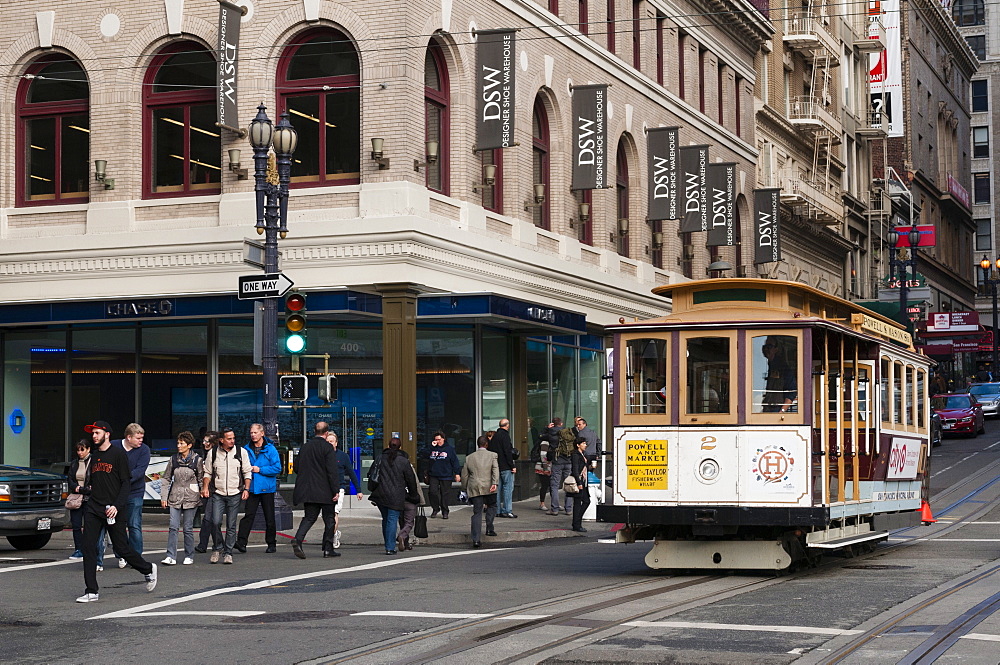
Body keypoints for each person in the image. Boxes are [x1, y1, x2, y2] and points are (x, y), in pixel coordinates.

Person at [77, 420, 157, 603]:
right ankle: (91, 591)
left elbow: (125, 482)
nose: (94, 436)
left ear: (107, 434)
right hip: (94, 508)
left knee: (122, 547)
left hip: (115, 509)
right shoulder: (95, 455)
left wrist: (116, 506)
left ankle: (148, 569)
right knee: (88, 547)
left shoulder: (119, 455)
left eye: (97, 433)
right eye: (93, 433)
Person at [202, 427, 252, 564]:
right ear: (221, 440)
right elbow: (207, 473)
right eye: (229, 439)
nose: (232, 441)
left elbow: (247, 472)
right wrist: (205, 487)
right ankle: (217, 548)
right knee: (215, 521)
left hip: (235, 492)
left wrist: (246, 489)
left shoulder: (241, 452)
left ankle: (228, 552)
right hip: (218, 492)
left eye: (233, 438)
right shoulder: (213, 453)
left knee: (231, 524)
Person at [291, 423, 341, 559]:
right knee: (329, 519)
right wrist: (335, 490)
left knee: (309, 517)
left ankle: (298, 539)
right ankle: (328, 548)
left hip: (308, 490)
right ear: (326, 433)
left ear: (314, 431)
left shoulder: (305, 447)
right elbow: (332, 471)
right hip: (325, 490)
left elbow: (296, 467)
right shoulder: (328, 448)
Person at [159, 431, 204, 566]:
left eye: (182, 443)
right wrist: (164, 496)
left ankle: (189, 554)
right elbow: (166, 478)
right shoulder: (173, 459)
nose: (179, 446)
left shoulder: (197, 460)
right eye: (178, 443)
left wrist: (202, 493)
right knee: (173, 527)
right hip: (175, 497)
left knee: (188, 528)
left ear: (189, 445)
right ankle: (170, 555)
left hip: (191, 498)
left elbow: (201, 479)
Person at [235, 423, 281, 554]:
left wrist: (260, 469)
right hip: (252, 487)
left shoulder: (271, 449)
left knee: (269, 517)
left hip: (267, 488)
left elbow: (277, 468)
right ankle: (241, 542)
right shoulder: (245, 449)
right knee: (248, 515)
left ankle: (271, 543)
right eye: (251, 433)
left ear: (262, 433)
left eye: (255, 433)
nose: (253, 435)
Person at [370, 438, 419, 555]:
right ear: (400, 447)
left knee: (386, 519)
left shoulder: (380, 458)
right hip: (396, 495)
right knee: (392, 520)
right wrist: (413, 495)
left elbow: (372, 474)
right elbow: (411, 480)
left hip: (380, 494)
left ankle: (388, 544)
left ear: (388, 445)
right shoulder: (403, 461)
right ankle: (390, 547)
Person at [110, 423, 150, 568]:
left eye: (142, 438)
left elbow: (140, 471)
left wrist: (121, 479)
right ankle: (121, 554)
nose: (141, 441)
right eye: (138, 438)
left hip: (135, 492)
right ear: (128, 437)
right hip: (115, 493)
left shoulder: (144, 450)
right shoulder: (113, 446)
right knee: (116, 526)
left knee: (134, 525)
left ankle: (136, 557)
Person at [327, 430, 363, 550]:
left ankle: (332, 537)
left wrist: (358, 490)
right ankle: (333, 533)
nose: (330, 444)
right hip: (324, 489)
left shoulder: (343, 456)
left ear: (336, 443)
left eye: (332, 441)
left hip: (339, 488)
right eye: (327, 441)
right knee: (327, 515)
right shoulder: (321, 455)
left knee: (334, 513)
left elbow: (351, 473)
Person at [461, 435, 499, 548]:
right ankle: (489, 528)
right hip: (489, 486)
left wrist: (464, 488)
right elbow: (495, 470)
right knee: (492, 506)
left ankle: (476, 539)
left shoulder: (469, 458)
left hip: (475, 487)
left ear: (478, 444)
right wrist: (494, 483)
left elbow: (464, 475)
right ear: (486, 444)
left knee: (477, 512)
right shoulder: (493, 455)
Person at [66, 439, 93, 560]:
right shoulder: (74, 463)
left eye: (82, 450)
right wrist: (75, 487)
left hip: (89, 497)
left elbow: (94, 480)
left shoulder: (93, 462)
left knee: (89, 525)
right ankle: (78, 549)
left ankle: (88, 548)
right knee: (76, 525)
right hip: (76, 497)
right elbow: (70, 478)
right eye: (78, 450)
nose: (80, 452)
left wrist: (84, 489)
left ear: (88, 449)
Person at [397, 442, 426, 552]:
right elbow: (416, 483)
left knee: (402, 521)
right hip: (410, 497)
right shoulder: (408, 466)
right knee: (409, 521)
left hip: (398, 498)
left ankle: (404, 541)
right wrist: (421, 499)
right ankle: (403, 536)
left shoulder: (392, 467)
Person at [425, 431, 460, 519]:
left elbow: (455, 461)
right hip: (434, 474)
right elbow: (424, 455)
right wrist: (431, 447)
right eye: (436, 440)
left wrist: (457, 473)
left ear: (443, 439)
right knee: (432, 492)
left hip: (446, 474)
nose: (438, 441)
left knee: (445, 494)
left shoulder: (449, 449)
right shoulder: (432, 448)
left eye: (439, 439)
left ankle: (445, 511)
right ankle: (435, 508)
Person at [194, 431, 218, 554]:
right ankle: (216, 543)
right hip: (207, 489)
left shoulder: (216, 455)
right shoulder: (205, 454)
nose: (204, 443)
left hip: (214, 489)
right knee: (211, 518)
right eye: (203, 441)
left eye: (207, 441)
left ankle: (205, 544)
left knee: (209, 518)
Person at [488, 418, 517, 518]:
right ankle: (507, 510)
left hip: (496, 466)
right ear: (507, 425)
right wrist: (512, 465)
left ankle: (497, 510)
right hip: (505, 466)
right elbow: (507, 452)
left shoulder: (495, 436)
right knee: (508, 488)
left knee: (498, 489)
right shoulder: (505, 436)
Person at [762, 337, 797, 413]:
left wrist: (781, 411)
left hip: (776, 410)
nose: (766, 349)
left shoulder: (783, 368)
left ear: (776, 349)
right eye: (764, 347)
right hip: (767, 409)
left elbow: (791, 392)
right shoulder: (768, 365)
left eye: (769, 346)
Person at [548, 419, 575, 516]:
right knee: (568, 484)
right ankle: (568, 509)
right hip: (568, 461)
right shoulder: (567, 432)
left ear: (553, 424)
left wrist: (547, 429)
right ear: (561, 424)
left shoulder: (551, 433)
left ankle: (554, 509)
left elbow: (540, 437)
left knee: (554, 485)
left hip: (557, 462)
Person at [569, 437, 591, 533]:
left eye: (585, 443)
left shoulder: (583, 454)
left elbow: (584, 468)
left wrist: (591, 467)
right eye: (583, 443)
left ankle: (577, 522)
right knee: (578, 503)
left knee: (586, 501)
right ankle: (577, 524)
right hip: (579, 481)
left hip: (584, 480)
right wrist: (578, 483)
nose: (585, 445)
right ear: (578, 445)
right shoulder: (575, 455)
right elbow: (575, 469)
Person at [530, 432, 551, 511]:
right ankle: (542, 503)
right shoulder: (545, 443)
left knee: (547, 485)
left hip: (544, 467)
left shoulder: (544, 442)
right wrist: (545, 468)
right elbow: (543, 455)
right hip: (543, 467)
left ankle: (550, 503)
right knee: (545, 485)